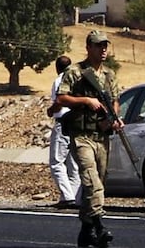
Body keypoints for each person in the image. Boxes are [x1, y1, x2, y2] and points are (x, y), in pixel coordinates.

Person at [56, 30, 121, 247]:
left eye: (105, 45)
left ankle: (86, 230)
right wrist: (85, 101)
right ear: (88, 48)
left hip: (101, 135)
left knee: (97, 182)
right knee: (91, 180)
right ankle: (100, 227)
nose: (103, 49)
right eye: (98, 45)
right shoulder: (75, 72)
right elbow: (61, 98)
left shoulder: (109, 75)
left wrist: (113, 118)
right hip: (81, 135)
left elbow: (114, 100)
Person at [46, 55, 81, 209]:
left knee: (56, 162)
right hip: (77, 123)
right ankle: (73, 197)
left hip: (63, 122)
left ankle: (67, 197)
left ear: (57, 67)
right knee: (74, 164)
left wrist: (50, 110)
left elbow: (59, 103)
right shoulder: (77, 79)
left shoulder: (60, 80)